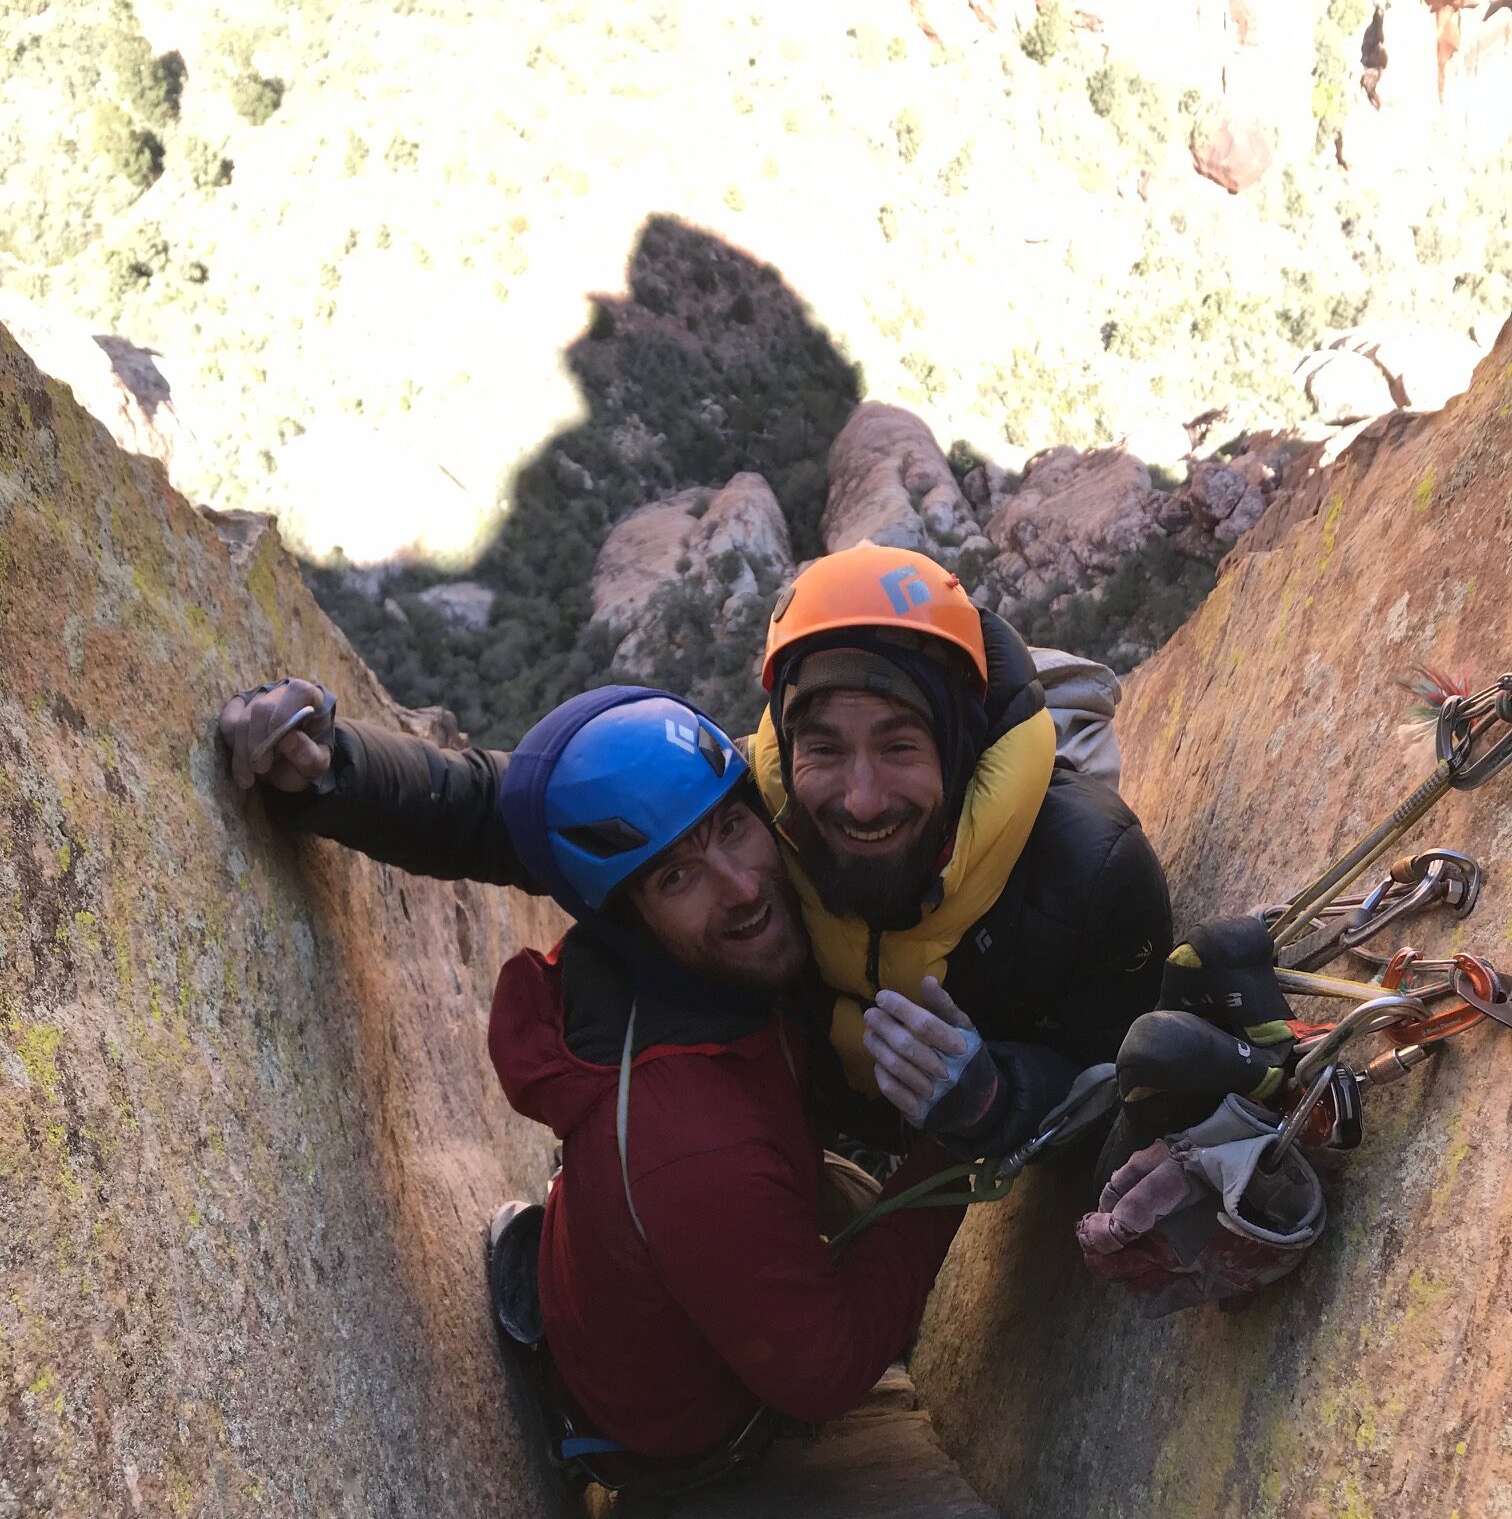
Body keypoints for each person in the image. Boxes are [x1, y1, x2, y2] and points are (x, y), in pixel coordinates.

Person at [218, 680, 965, 1465]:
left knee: (825, 1192)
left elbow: (487, 804)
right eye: (676, 877)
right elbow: (826, 1374)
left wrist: (336, 765)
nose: (741, 888)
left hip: (685, 1203)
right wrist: (953, 1149)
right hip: (695, 1438)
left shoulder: (695, 973)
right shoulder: (697, 1144)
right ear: (626, 914)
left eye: (732, 828)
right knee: (858, 1223)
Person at [748, 546, 1173, 1159]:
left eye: (899, 747)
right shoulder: (754, 836)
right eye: (825, 750)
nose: (862, 801)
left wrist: (997, 1098)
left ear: (958, 748)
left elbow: (1125, 1096)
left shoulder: (1093, 875)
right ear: (788, 755)